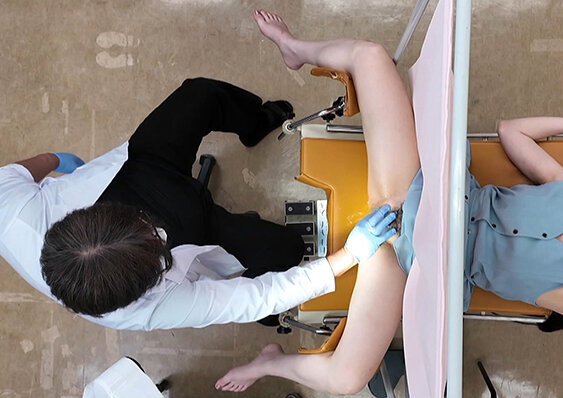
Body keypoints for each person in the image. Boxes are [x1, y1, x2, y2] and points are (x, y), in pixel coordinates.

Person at [214, 10, 563, 395]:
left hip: (411, 262)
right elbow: (512, 132)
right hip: (419, 187)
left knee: (347, 379)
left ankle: (273, 364)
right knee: (371, 55)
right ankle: (295, 49)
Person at [0, 77, 397, 330]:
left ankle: (255, 123)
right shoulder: (145, 309)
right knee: (287, 249)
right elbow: (258, 296)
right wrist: (350, 254)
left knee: (200, 95)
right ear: (143, 286)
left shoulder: (9, 209)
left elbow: (21, 171)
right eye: (152, 243)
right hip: (191, 232)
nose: (155, 229)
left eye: (143, 226)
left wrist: (56, 160)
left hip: (136, 171)